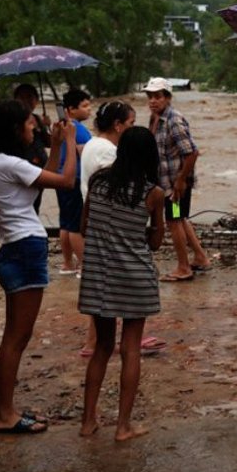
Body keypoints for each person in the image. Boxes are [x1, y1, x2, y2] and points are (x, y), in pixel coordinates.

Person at [0, 99, 77, 435]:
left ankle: (7, 410)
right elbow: (65, 181)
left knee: (14, 338)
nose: (34, 128)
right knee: (16, 339)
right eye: (29, 124)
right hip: (23, 249)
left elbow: (42, 180)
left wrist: (59, 144)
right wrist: (73, 143)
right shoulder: (9, 164)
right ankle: (3, 414)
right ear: (14, 128)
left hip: (14, 248)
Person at [78, 127, 165, 441]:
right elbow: (156, 241)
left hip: (99, 275)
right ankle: (123, 426)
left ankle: (88, 422)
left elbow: (85, 225)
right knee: (130, 349)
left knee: (102, 346)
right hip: (135, 276)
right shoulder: (152, 192)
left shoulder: (98, 181)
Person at [77, 101, 167, 358]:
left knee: (178, 219)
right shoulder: (114, 160)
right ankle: (96, 343)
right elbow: (155, 239)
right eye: (129, 122)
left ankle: (94, 343)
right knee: (177, 220)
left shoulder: (95, 149)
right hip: (147, 206)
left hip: (108, 218)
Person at [143, 78, 210, 281]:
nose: (153, 101)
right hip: (166, 182)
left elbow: (191, 153)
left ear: (167, 98)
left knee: (173, 221)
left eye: (157, 97)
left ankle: (183, 267)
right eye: (150, 97)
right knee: (179, 219)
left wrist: (181, 181)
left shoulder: (174, 120)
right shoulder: (155, 118)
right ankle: (200, 257)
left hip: (176, 186)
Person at [0, 84, 51, 212]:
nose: (26, 101)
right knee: (26, 204)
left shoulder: (39, 119)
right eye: (21, 97)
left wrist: (52, 131)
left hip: (40, 164)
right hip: (25, 166)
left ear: (37, 100)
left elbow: (47, 142)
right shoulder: (13, 121)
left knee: (35, 204)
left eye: (30, 97)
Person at [55, 88, 93, 275]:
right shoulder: (78, 129)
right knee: (76, 225)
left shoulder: (63, 126)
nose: (89, 109)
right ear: (71, 109)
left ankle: (68, 263)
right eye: (85, 106)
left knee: (66, 222)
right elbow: (85, 154)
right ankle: (85, 265)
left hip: (61, 178)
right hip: (75, 178)